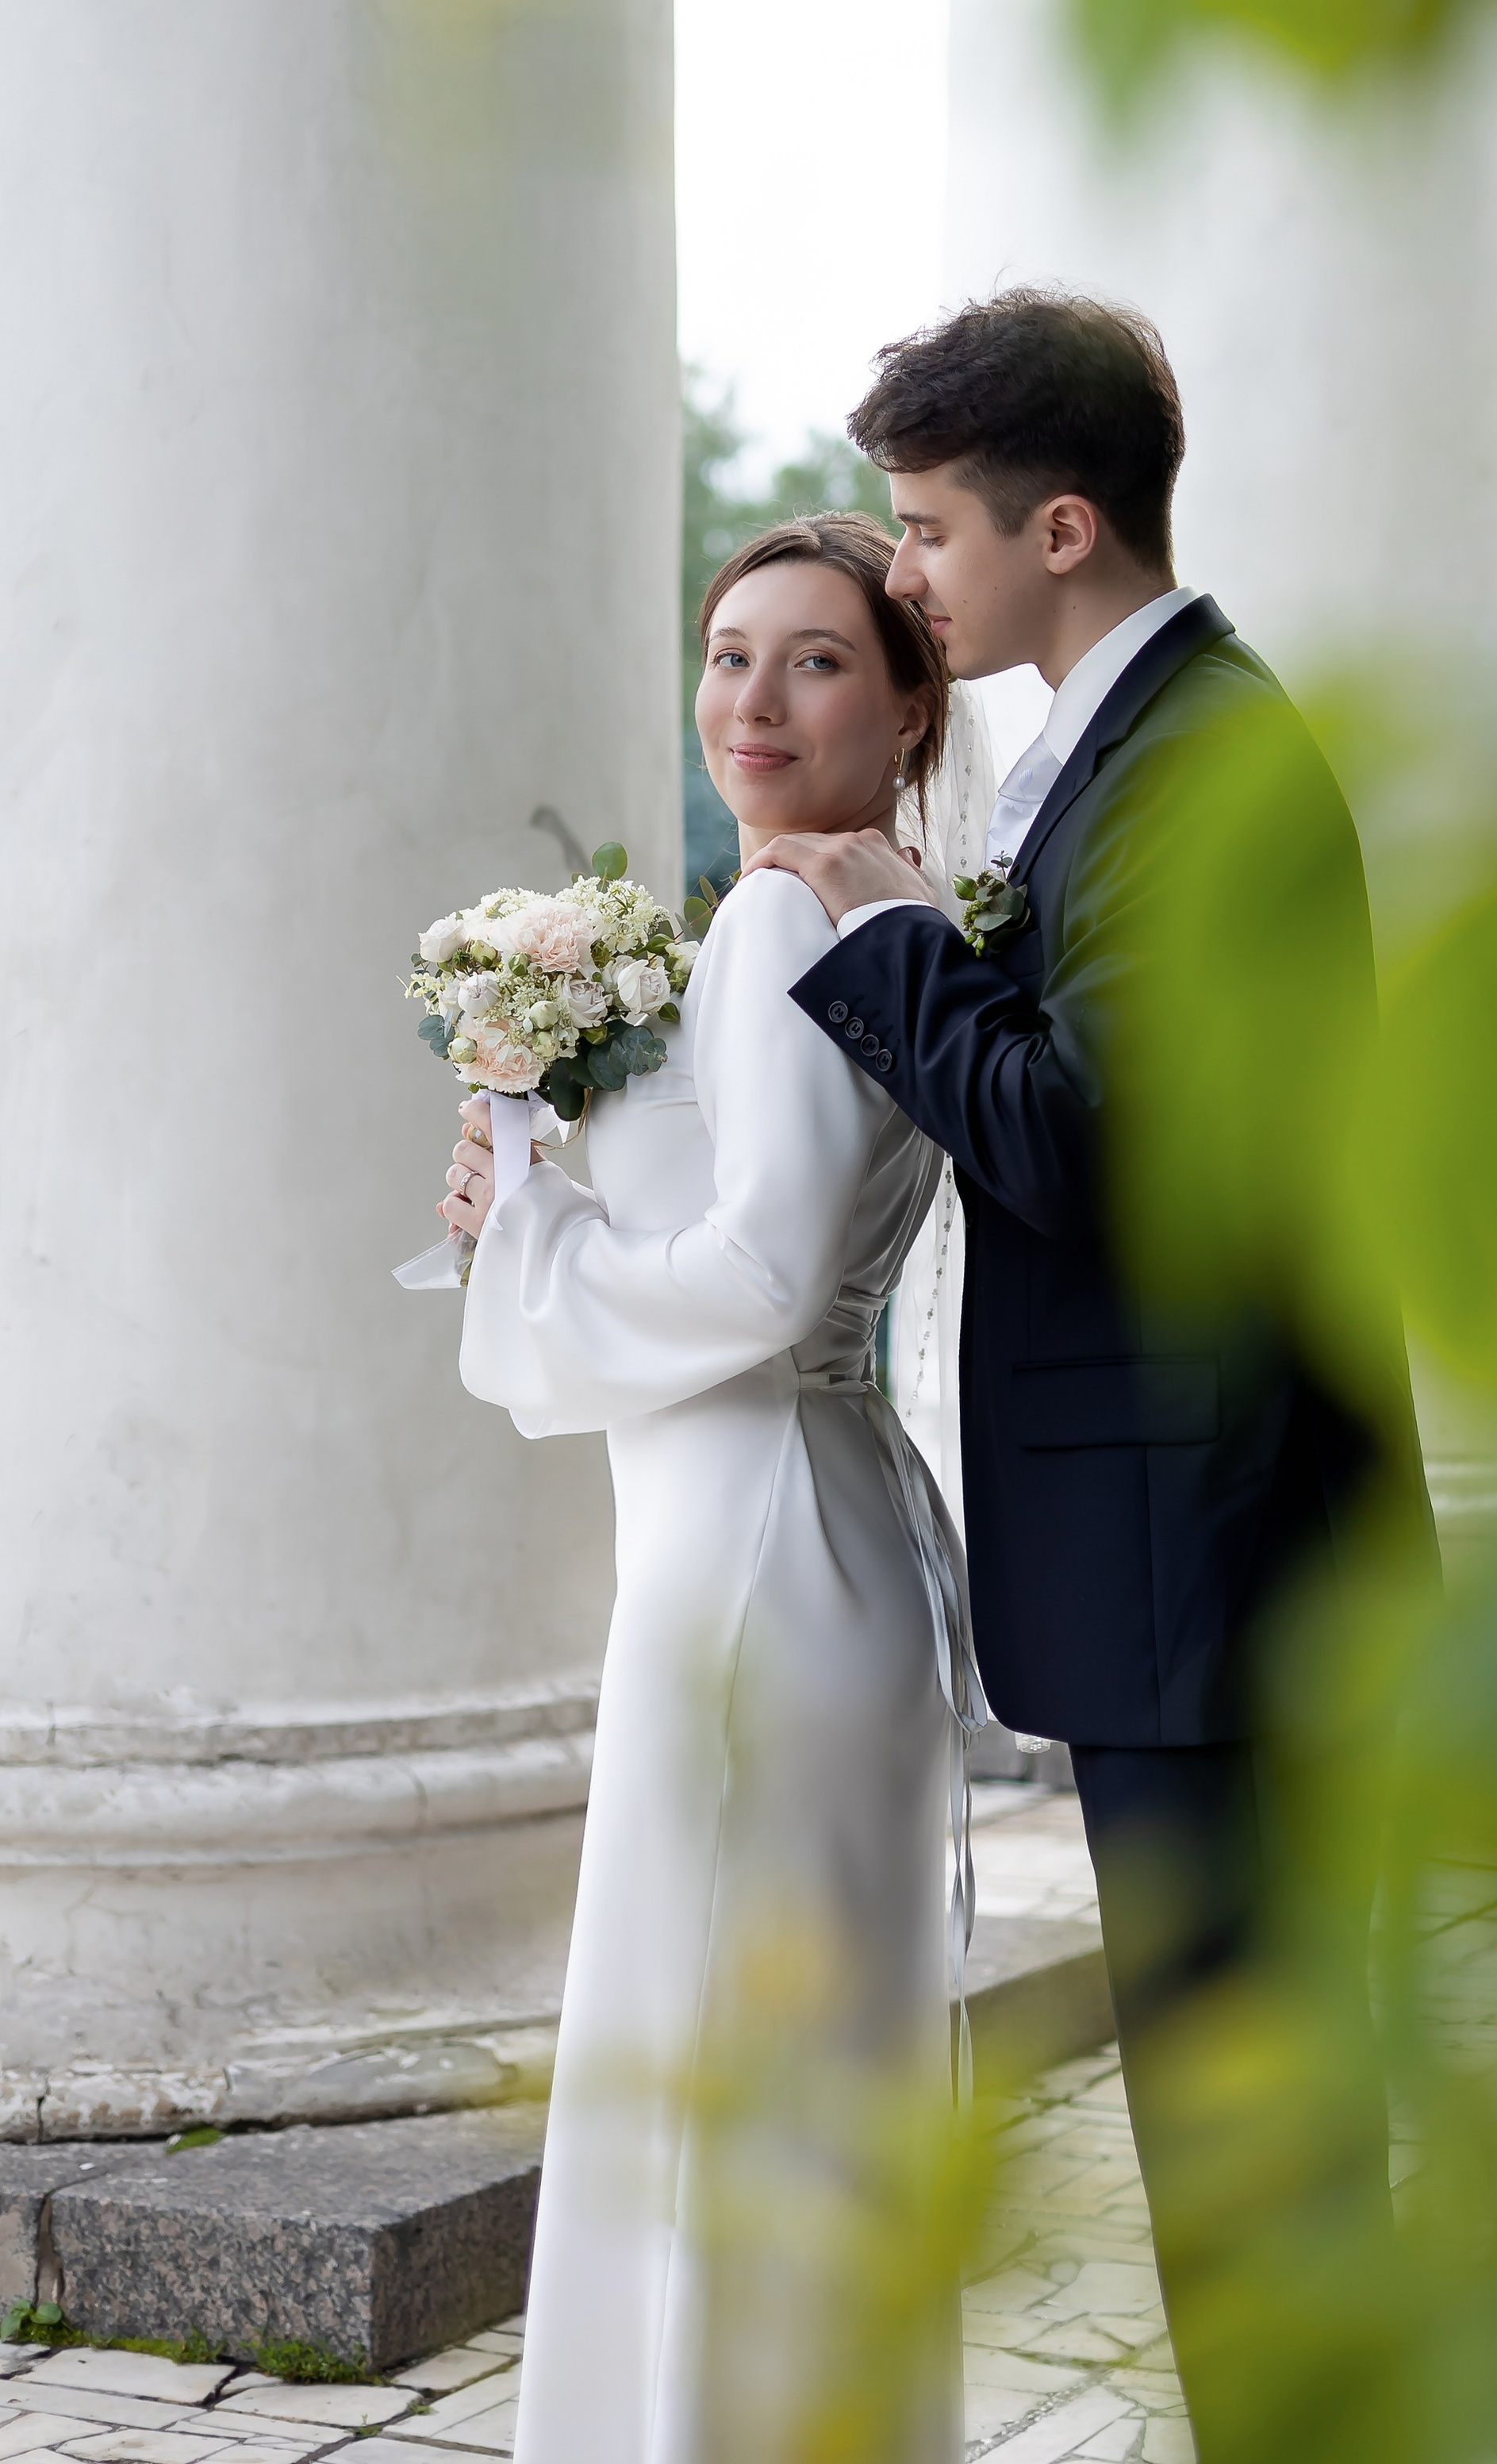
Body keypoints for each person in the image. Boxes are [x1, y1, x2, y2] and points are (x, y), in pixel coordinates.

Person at [749, 291, 1436, 2427]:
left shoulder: (1205, 759)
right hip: (1197, 1572)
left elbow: (1085, 1141)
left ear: (1059, 529)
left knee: (1261, 2167)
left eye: (927, 534)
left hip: (1219, 1583)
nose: (906, 579)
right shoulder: (1140, 742)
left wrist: (875, 921)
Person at [438, 514, 975, 2464]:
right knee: (797, 2084)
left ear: (911, 701)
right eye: (729, 650)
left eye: (818, 659)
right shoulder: (902, 911)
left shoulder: (774, 922)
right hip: (822, 1541)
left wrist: (544, 1234)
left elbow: (754, 1278)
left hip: (746, 1551)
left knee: (712, 2082)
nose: (753, 696)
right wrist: (546, 1184)